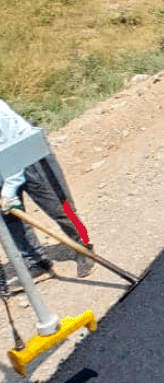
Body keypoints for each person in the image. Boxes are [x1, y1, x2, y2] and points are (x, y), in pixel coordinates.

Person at [0, 98, 95, 281]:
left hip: (27, 149)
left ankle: (83, 245)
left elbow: (12, 147)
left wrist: (10, 188)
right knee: (10, 217)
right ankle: (37, 263)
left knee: (61, 207)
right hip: (3, 162)